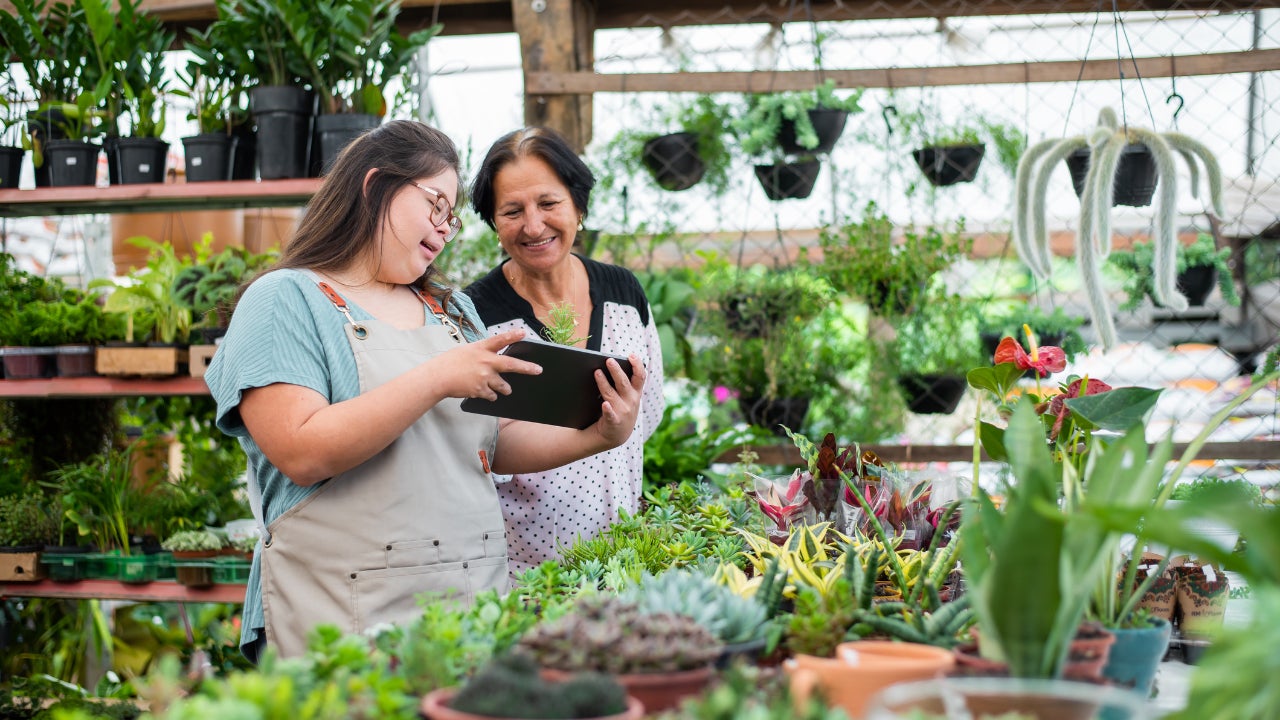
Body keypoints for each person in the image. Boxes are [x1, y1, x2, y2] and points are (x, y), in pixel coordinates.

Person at [204, 120, 646, 661]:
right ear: (374, 187)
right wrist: (438, 376)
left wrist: (600, 435)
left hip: (472, 611)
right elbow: (302, 450)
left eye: (451, 216)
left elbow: (492, 443)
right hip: (345, 620)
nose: (443, 229)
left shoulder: (450, 311)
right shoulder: (286, 299)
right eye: (435, 204)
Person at [465, 127, 666, 576]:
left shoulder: (624, 292)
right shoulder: (475, 317)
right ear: (494, 222)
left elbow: (646, 412)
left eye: (549, 203)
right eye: (512, 211)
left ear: (578, 205)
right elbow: (479, 449)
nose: (533, 226)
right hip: (526, 574)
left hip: (626, 560)